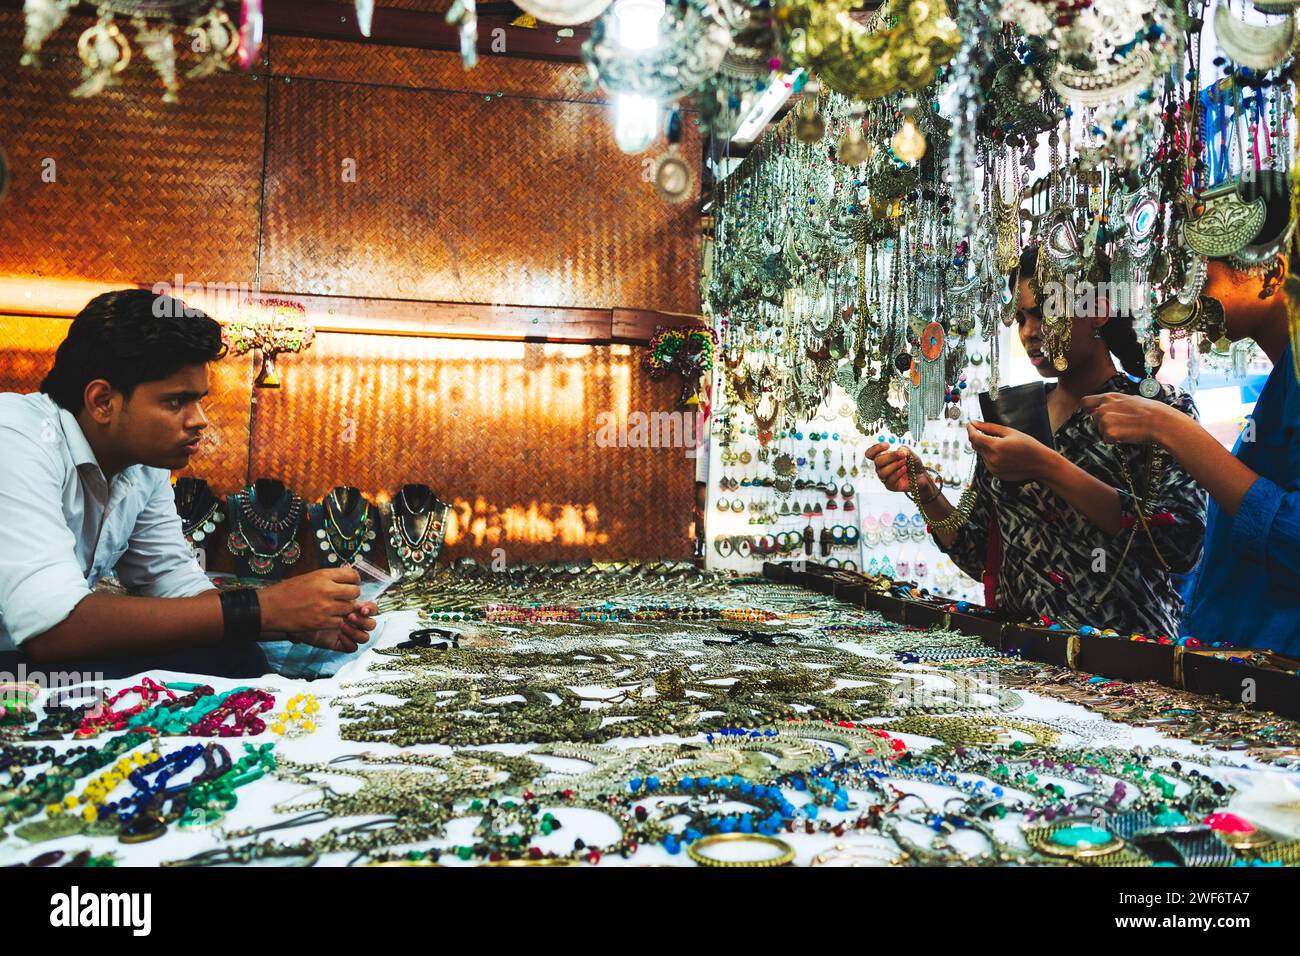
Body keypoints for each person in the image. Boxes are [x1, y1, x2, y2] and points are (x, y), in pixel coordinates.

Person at [0, 289, 377, 679]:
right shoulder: (15, 436)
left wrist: (289, 620)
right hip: (18, 659)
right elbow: (52, 629)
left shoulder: (143, 464)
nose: (199, 420)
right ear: (102, 401)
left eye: (199, 400)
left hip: (41, 658)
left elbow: (172, 582)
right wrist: (263, 608)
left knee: (235, 656)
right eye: (176, 402)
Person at [867, 245, 1207, 636]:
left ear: (1096, 310)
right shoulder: (1014, 411)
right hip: (1026, 663)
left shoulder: (1158, 410)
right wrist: (926, 491)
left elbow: (1181, 546)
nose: (1030, 332)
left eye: (1047, 312)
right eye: (1022, 317)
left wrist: (1049, 467)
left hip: (1127, 663)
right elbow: (979, 552)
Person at [1083, 252, 1300, 654]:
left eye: (1202, 275)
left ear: (1271, 274)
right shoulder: (1282, 380)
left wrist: (1170, 429)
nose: (1188, 294)